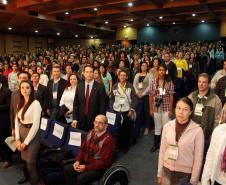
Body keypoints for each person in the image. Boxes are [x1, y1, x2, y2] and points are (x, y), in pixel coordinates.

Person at [157, 97, 204, 185]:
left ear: (190, 112)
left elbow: (198, 159)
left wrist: (193, 181)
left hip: (185, 175)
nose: (181, 112)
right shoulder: (167, 126)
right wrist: (160, 173)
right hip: (166, 170)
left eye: (185, 109)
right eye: (178, 108)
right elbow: (162, 151)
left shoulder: (197, 131)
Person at [63, 115, 116, 185]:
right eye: (95, 122)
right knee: (67, 169)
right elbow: (82, 149)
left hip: (99, 168)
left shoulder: (108, 141)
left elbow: (104, 163)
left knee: (81, 178)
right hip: (87, 162)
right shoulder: (91, 132)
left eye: (100, 123)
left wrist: (86, 168)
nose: (97, 125)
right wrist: (78, 161)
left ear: (106, 125)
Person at [15, 80, 42, 185]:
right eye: (22, 87)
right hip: (22, 133)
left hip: (32, 135)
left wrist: (25, 143)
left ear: (31, 89)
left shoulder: (36, 104)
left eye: (27, 87)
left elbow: (35, 126)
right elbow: (16, 121)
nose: (25, 90)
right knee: (25, 161)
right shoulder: (20, 102)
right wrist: (17, 138)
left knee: (31, 163)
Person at [109, 68, 138, 153]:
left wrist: (131, 110)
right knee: (118, 129)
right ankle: (119, 146)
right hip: (116, 111)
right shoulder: (114, 86)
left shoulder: (130, 86)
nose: (122, 77)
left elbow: (134, 98)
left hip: (126, 111)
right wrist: (112, 109)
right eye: (121, 75)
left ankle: (125, 146)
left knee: (126, 129)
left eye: (124, 75)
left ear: (127, 77)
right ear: (118, 76)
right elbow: (111, 99)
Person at [72, 64, 106, 132]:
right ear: (83, 73)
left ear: (93, 73)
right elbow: (76, 104)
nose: (89, 74)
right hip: (80, 120)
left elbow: (102, 106)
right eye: (87, 72)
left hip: (94, 121)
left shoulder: (100, 87)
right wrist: (75, 119)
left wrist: (100, 121)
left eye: (91, 72)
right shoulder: (79, 86)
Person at [188, 73, 222, 140]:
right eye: (199, 81)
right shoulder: (191, 96)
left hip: (206, 136)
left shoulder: (215, 99)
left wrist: (213, 135)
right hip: (191, 134)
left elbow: (218, 120)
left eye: (204, 82)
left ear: (208, 84)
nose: (201, 84)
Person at [149, 64, 174, 152]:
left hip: (166, 107)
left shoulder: (169, 82)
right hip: (156, 107)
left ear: (165, 71)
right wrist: (151, 109)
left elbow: (171, 96)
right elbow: (151, 96)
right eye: (160, 70)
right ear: (157, 71)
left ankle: (166, 145)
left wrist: (171, 109)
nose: (161, 72)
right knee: (157, 126)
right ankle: (156, 145)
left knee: (166, 127)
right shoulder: (153, 82)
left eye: (163, 70)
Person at [202, 103, 226, 185]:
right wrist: (205, 181)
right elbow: (210, 158)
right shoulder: (219, 130)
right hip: (218, 179)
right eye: (225, 112)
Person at [133, 61, 152, 135]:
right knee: (139, 111)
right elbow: (134, 84)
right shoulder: (137, 74)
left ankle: (147, 127)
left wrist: (143, 94)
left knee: (146, 112)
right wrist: (137, 92)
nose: (143, 67)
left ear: (147, 67)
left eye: (145, 66)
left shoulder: (149, 75)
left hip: (146, 96)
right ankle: (139, 126)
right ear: (140, 67)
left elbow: (150, 86)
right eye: (142, 65)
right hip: (138, 96)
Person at [0, 82, 12, 169]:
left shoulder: (6, 91)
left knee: (6, 139)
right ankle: (2, 156)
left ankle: (8, 159)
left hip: (4, 119)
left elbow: (8, 106)